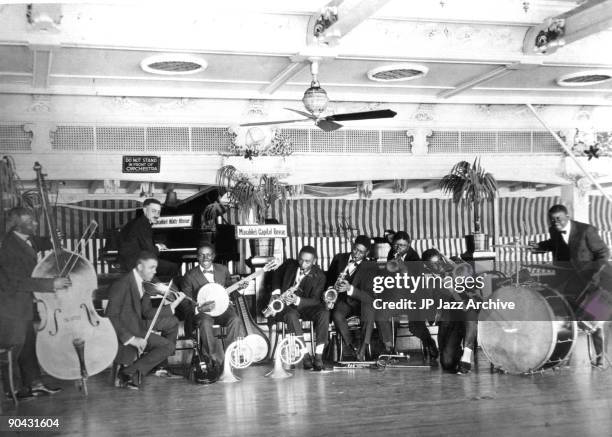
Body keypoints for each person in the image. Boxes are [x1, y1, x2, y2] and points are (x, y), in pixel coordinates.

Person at [529, 204, 610, 367]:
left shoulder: (587, 230)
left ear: (567, 216)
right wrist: (539, 246)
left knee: (596, 321)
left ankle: (600, 358)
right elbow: (554, 244)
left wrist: (594, 273)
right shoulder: (554, 230)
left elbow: (603, 253)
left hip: (592, 282)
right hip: (569, 282)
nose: (555, 222)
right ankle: (565, 354)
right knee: (567, 319)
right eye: (552, 220)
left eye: (558, 219)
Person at [0, 207, 69, 399]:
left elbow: (37, 243)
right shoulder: (7, 248)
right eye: (31, 222)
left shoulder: (24, 239)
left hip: (23, 306)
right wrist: (51, 283)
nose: (36, 224)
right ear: (17, 225)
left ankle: (34, 384)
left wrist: (54, 238)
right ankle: (11, 390)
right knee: (15, 349)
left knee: (28, 346)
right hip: (10, 307)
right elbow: (18, 281)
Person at [105, 251, 184, 389]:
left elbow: (147, 312)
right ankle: (132, 373)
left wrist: (173, 305)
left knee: (169, 343)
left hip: (138, 327)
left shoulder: (145, 284)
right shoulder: (122, 284)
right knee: (167, 345)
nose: (154, 271)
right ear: (140, 267)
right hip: (127, 330)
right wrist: (131, 339)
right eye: (151, 267)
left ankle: (129, 372)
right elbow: (111, 315)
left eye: (155, 267)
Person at [180, 243, 246, 370]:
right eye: (202, 255)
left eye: (209, 255)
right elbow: (185, 303)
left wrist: (241, 288)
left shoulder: (223, 270)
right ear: (197, 257)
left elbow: (232, 291)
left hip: (223, 310)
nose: (205, 258)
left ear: (214, 256)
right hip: (203, 312)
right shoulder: (189, 276)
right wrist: (199, 309)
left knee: (235, 320)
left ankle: (230, 356)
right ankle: (215, 360)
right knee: (204, 323)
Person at [267, 246, 328, 371]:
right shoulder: (289, 264)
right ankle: (305, 355)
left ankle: (318, 356)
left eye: (307, 262)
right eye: (301, 260)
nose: (303, 264)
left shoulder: (320, 275)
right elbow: (276, 275)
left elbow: (316, 300)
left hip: (306, 307)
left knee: (324, 313)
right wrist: (276, 292)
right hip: (286, 307)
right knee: (291, 315)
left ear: (314, 261)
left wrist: (297, 300)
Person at [422, 248, 480, 374]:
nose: (439, 265)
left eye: (439, 261)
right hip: (450, 319)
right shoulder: (430, 281)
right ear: (428, 267)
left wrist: (455, 274)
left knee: (469, 310)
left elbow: (471, 282)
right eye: (434, 264)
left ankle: (467, 353)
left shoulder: (455, 265)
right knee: (447, 363)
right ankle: (459, 354)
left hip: (467, 314)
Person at [327, 235, 377, 361]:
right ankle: (352, 345)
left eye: (361, 252)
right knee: (337, 315)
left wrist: (350, 289)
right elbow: (329, 277)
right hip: (343, 302)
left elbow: (370, 296)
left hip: (361, 303)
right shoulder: (339, 258)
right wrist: (330, 288)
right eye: (355, 249)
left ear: (367, 253)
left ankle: (363, 348)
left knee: (369, 311)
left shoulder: (371, 266)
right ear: (352, 246)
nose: (356, 253)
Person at [118, 198, 179, 278]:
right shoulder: (143, 225)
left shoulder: (139, 222)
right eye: (153, 211)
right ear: (144, 210)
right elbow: (150, 252)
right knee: (172, 267)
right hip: (135, 264)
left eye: (158, 212)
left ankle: (155, 286)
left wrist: (156, 247)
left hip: (131, 261)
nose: (157, 215)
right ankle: (158, 289)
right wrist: (159, 247)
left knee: (164, 265)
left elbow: (143, 245)